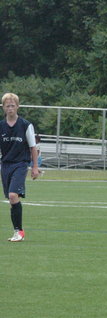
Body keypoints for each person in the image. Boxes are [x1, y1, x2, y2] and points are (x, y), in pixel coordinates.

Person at [0, 93, 40, 242]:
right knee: (12, 199)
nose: (10, 108)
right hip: (5, 165)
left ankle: (19, 231)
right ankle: (17, 231)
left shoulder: (25, 125)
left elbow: (33, 147)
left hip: (21, 164)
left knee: (13, 195)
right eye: (7, 106)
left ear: (17, 106)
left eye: (12, 105)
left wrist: (34, 167)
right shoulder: (1, 126)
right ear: (3, 108)